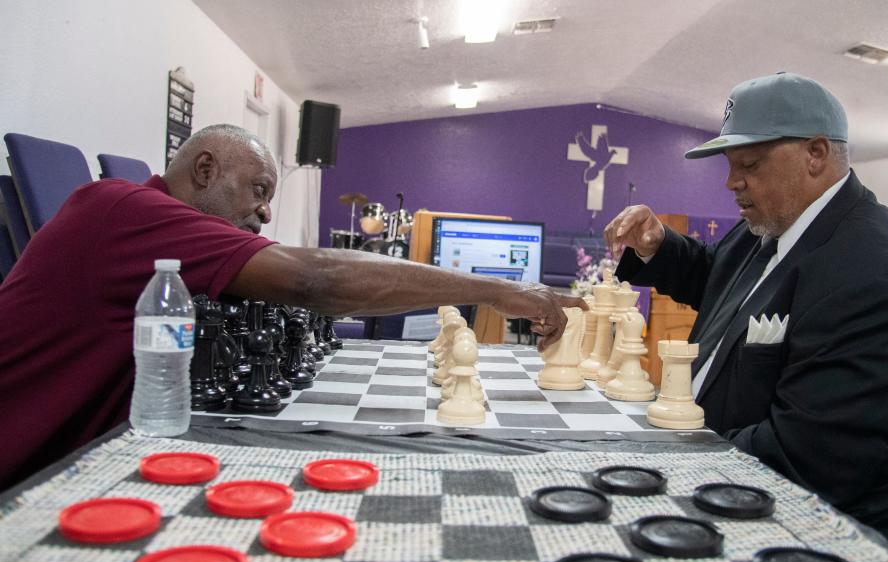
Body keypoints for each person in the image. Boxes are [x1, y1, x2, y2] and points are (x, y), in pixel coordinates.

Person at [0, 124, 586, 491]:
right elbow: (311, 280)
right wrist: (497, 289)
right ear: (205, 169)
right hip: (27, 469)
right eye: (259, 190)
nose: (264, 214)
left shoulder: (144, 224)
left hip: (86, 458)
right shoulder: (123, 207)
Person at [605, 72, 888, 559]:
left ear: (815, 154)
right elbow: (720, 280)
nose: (731, 182)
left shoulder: (874, 279)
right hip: (731, 472)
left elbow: (806, 458)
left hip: (833, 534)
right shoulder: (769, 226)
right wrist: (660, 245)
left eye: (749, 163)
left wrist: (668, 450)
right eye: (729, 164)